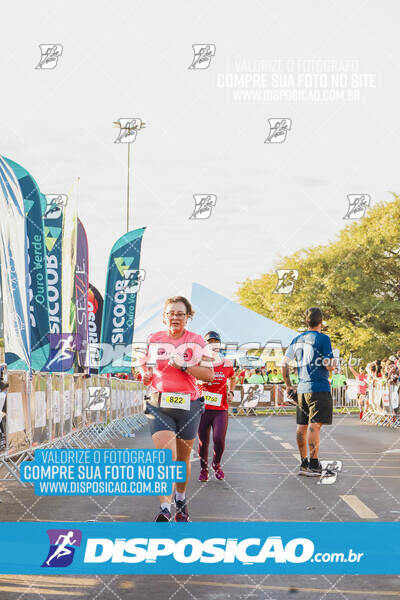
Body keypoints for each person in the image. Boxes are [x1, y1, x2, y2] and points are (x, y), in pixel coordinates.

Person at [139, 296, 214, 522]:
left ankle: (180, 498)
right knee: (165, 457)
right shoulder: (153, 339)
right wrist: (145, 374)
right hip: (158, 403)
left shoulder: (197, 341)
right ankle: (165, 508)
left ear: (187, 317)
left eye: (180, 313)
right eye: (171, 313)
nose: (175, 317)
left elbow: (209, 375)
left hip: (188, 404)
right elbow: (142, 365)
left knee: (181, 460)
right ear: (164, 316)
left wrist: (185, 365)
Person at [281, 307, 336, 476]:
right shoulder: (323, 339)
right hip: (318, 387)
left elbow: (284, 364)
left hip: (302, 388)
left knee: (302, 426)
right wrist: (333, 364)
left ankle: (304, 462)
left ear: (307, 321)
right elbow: (328, 365)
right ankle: (313, 464)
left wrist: (289, 385)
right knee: (315, 425)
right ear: (321, 321)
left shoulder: (297, 339)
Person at [197, 331, 236, 482]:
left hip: (220, 408)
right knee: (203, 441)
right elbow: (191, 379)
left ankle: (216, 464)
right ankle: (204, 469)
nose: (213, 345)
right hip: (202, 408)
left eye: (215, 342)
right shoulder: (200, 362)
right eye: (209, 342)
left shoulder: (226, 363)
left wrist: (231, 392)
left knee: (219, 438)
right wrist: (200, 381)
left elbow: (233, 377)